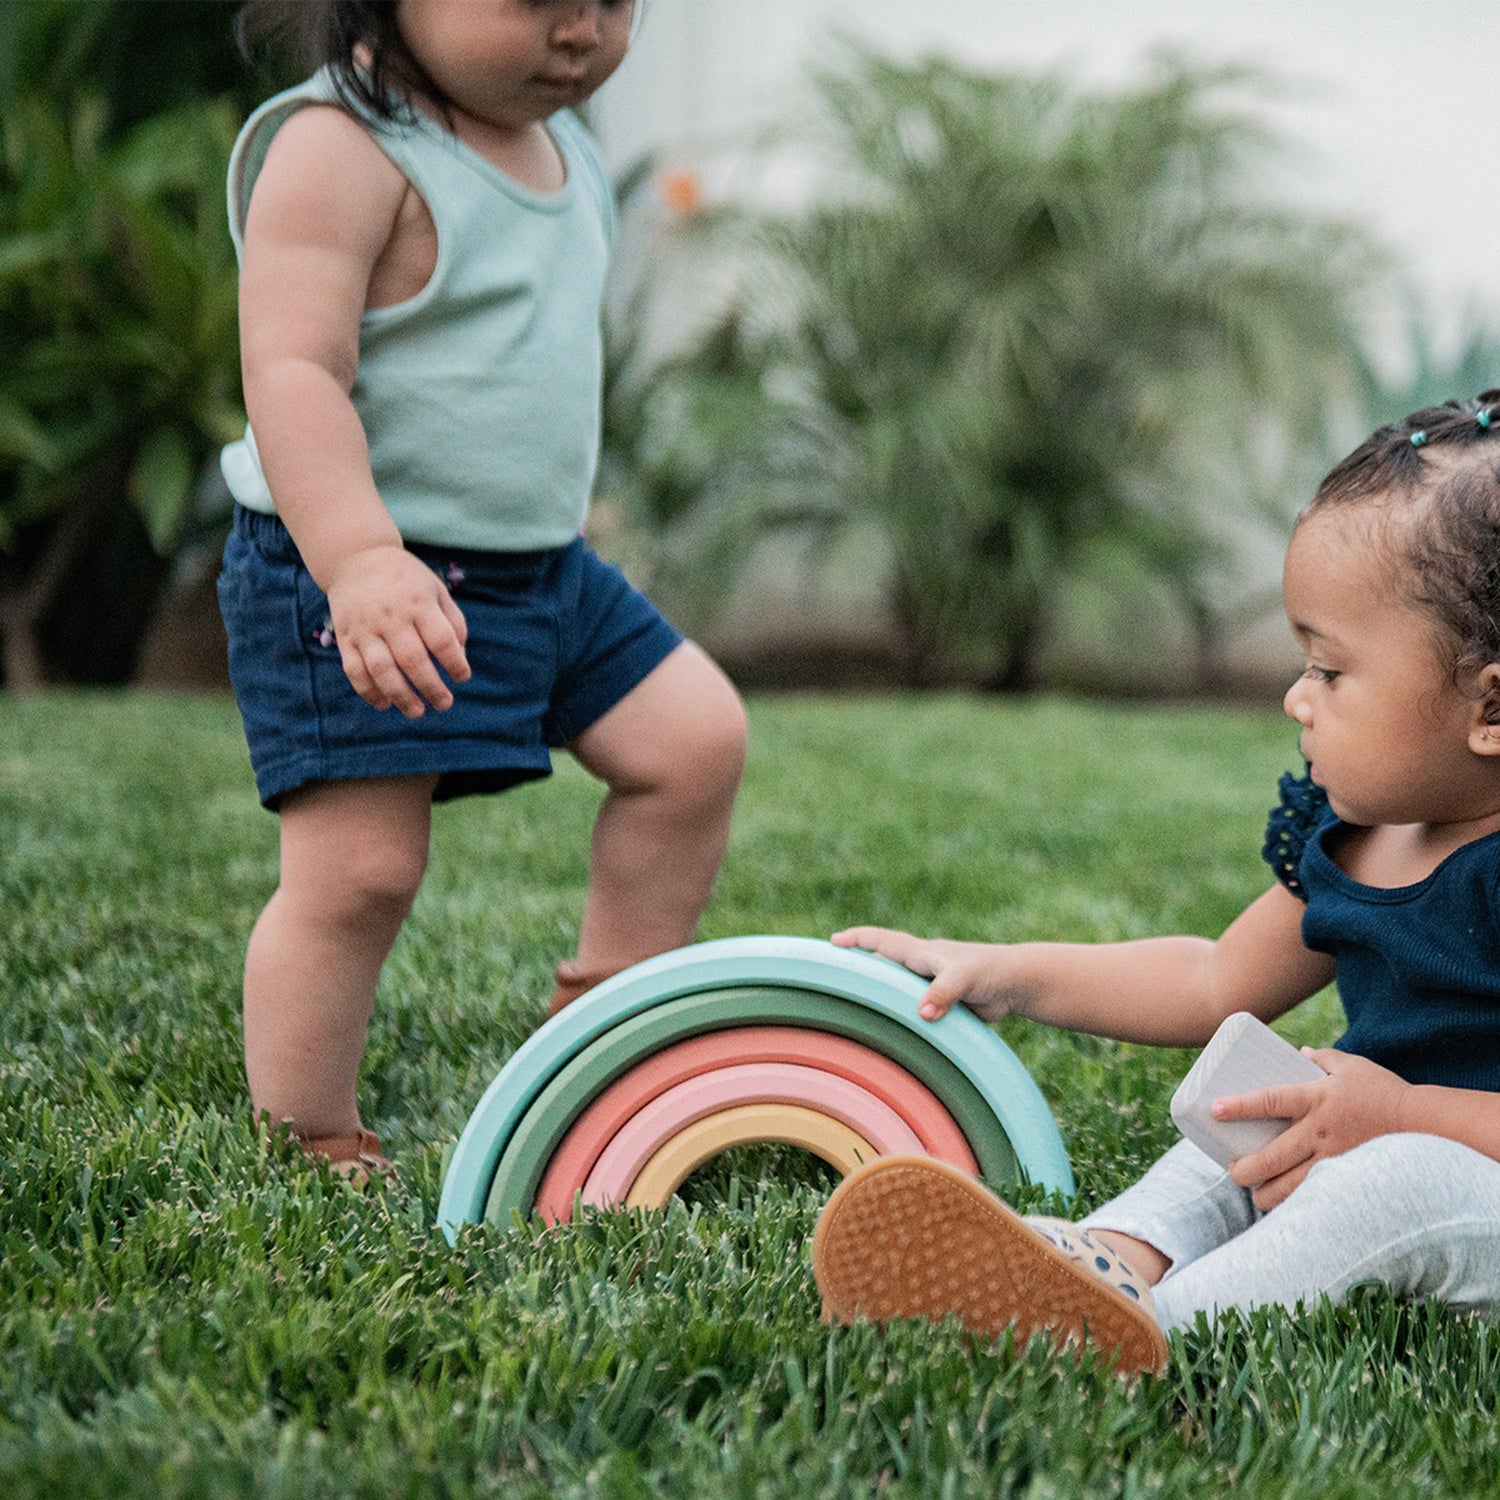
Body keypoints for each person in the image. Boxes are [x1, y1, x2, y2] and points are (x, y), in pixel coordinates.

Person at [812, 393, 1500, 1374]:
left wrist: (1403, 1114)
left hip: (1463, 1181)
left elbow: (1410, 1145)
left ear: (1491, 706)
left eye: (1332, 672)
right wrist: (1008, 973)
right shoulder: (1353, 838)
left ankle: (1157, 1337)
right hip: (1368, 1127)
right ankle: (1113, 1257)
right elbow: (1215, 978)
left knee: (1390, 1182)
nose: (1295, 696)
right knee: (1245, 1110)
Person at [217, 0, 747, 1183]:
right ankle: (308, 1133)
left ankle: (601, 1039)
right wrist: (358, 558)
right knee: (359, 874)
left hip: (539, 570)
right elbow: (293, 369)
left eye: (614, 3)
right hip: (362, 568)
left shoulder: (566, 147)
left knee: (695, 742)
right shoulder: (342, 148)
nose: (582, 31)